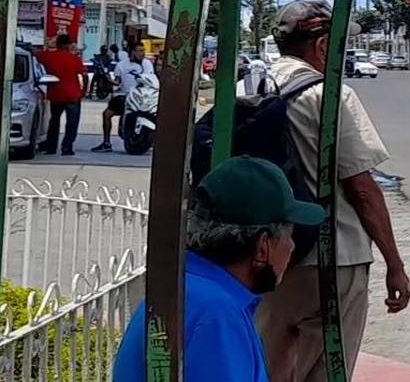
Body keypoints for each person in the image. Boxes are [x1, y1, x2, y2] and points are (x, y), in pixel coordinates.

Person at [258, 0, 410, 382]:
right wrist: (395, 265)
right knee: (328, 369)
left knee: (273, 368)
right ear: (322, 46)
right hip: (334, 255)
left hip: (271, 254)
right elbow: (361, 187)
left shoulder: (252, 83)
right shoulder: (330, 95)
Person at [113, 156, 326, 382]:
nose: (292, 246)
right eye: (289, 235)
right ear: (262, 248)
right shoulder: (218, 315)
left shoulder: (188, 285)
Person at [94, 42, 154, 152]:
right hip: (126, 96)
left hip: (142, 97)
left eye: (143, 50)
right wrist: (108, 80)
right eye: (139, 51)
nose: (142, 53)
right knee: (107, 114)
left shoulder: (147, 64)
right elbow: (117, 82)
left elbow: (150, 79)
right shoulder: (121, 65)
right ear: (132, 52)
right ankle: (106, 142)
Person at [34, 34, 88, 156]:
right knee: (72, 123)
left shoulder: (48, 57)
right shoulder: (74, 58)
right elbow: (84, 75)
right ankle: (67, 147)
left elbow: (35, 54)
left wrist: (48, 45)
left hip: (56, 94)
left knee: (54, 122)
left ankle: (51, 147)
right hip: (73, 95)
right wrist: (84, 90)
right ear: (66, 45)